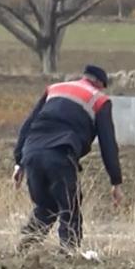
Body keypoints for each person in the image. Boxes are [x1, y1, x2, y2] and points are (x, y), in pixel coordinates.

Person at [12, 64, 124, 251]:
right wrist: (116, 181)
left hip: (31, 152)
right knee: (70, 206)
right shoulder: (100, 100)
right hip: (60, 153)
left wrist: (19, 162)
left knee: (46, 205)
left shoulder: (54, 89)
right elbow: (108, 144)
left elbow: (27, 125)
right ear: (100, 84)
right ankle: (69, 252)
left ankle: (27, 245)